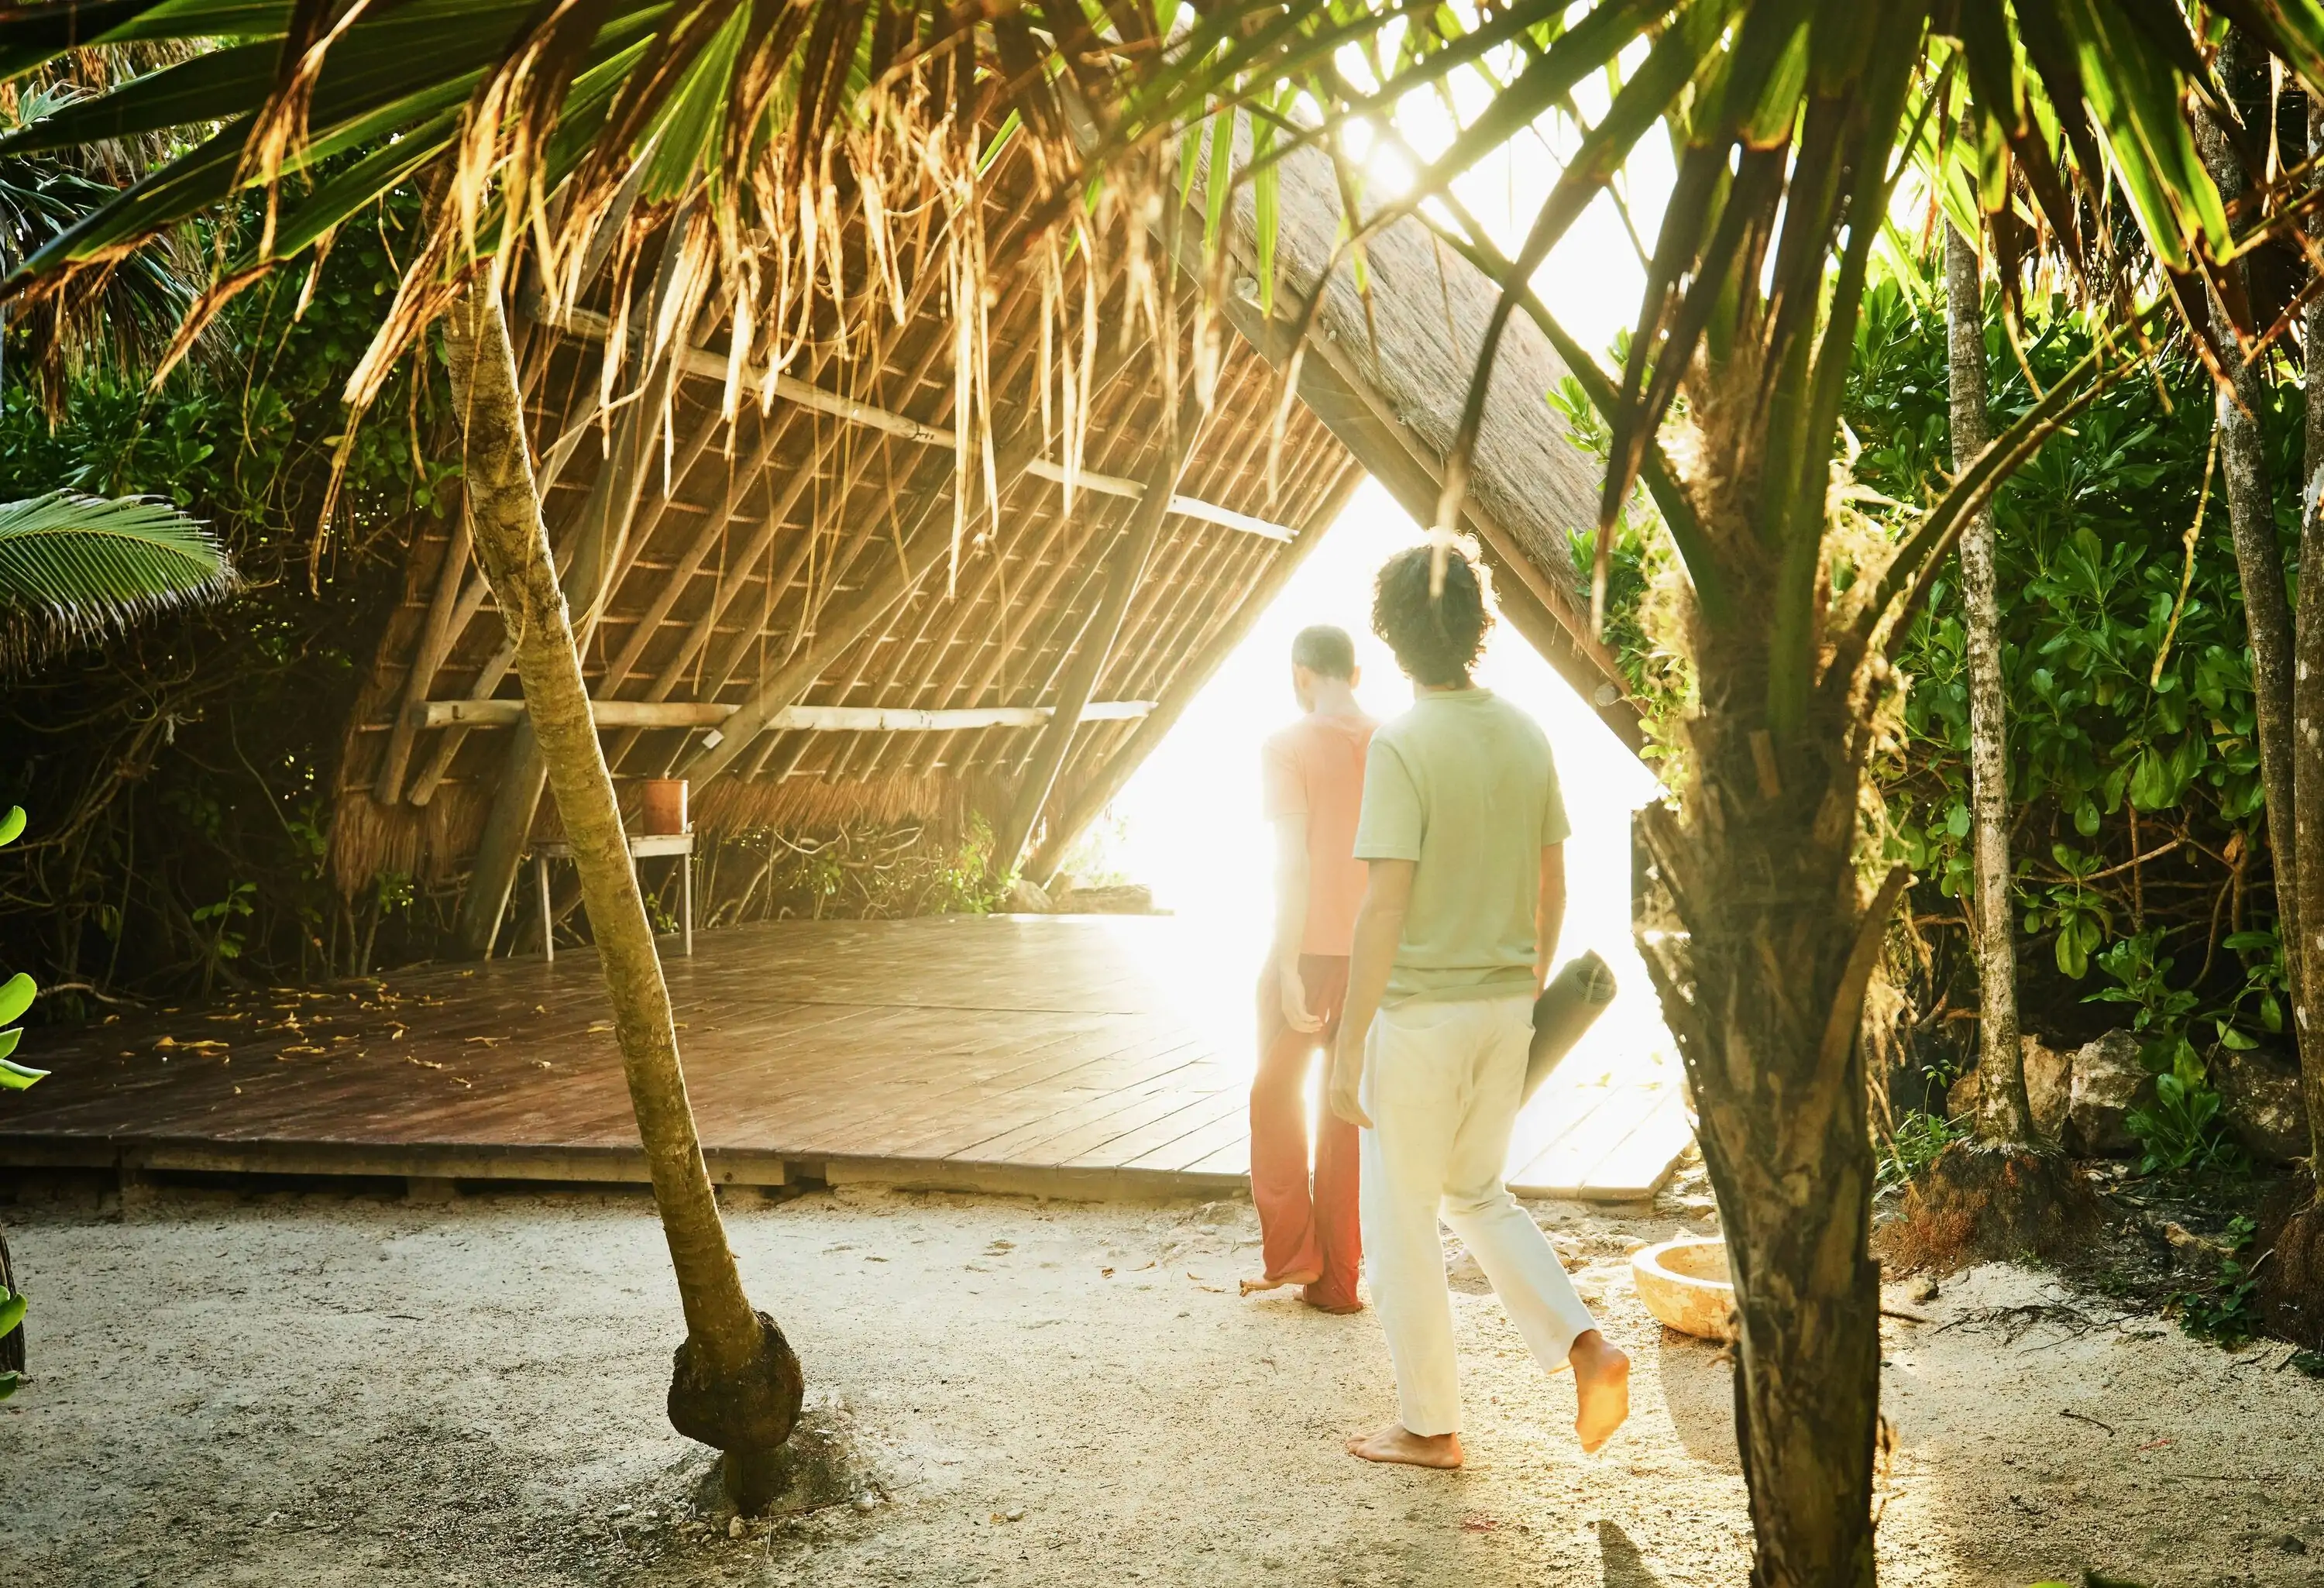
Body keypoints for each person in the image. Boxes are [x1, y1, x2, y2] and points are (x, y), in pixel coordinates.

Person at [1328, 543, 1630, 1467]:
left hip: (1419, 1018)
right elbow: (1555, 880)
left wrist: (1345, 1049)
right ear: (1477, 629)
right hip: (1504, 1005)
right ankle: (1590, 1347)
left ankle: (1430, 1425)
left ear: (1392, 636)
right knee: (1476, 1192)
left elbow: (1385, 904)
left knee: (1402, 1219)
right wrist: (1522, 984)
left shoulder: (1403, 743)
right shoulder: (1526, 733)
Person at [1243, 624, 1375, 1315]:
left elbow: (1292, 863)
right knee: (1344, 1114)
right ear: (1356, 671)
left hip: (1310, 951)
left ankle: (1296, 1255)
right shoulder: (1393, 740)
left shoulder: (1286, 745)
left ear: (1300, 674)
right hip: (1380, 954)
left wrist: (1287, 962)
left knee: (1273, 1096)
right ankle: (1337, 1280)